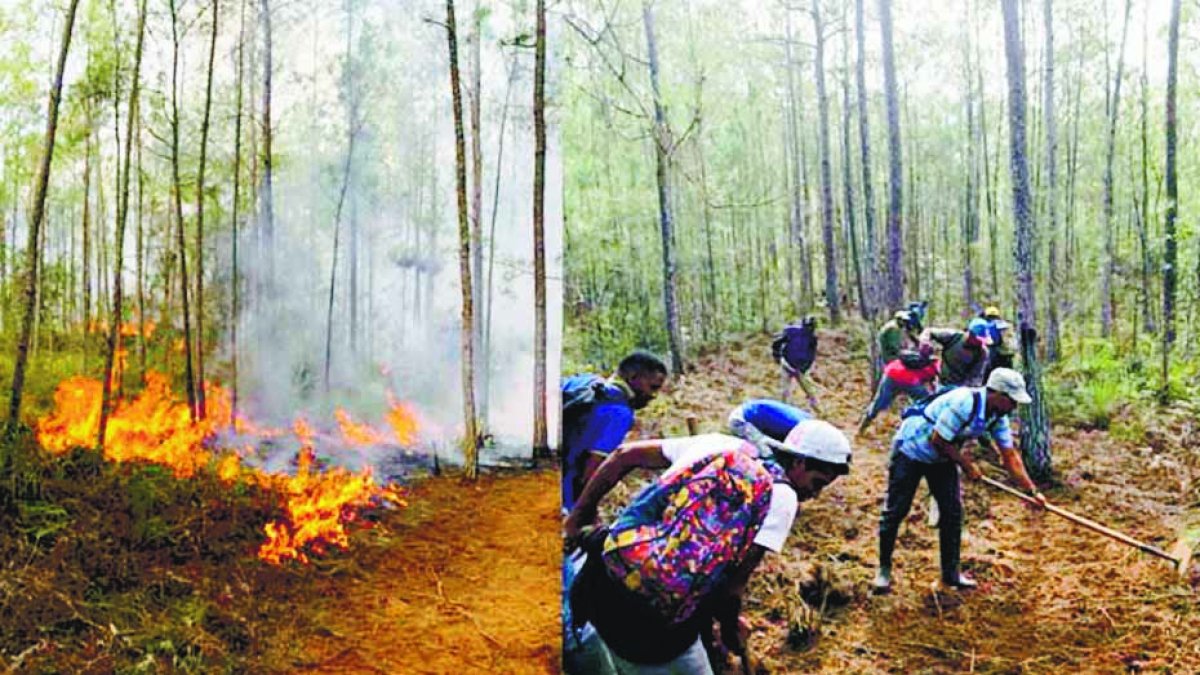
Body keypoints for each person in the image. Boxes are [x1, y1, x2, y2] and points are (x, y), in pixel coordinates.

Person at [565, 423, 852, 674]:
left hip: (602, 577)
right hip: (653, 621)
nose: (814, 495)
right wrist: (730, 631)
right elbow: (731, 588)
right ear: (800, 463)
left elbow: (623, 455)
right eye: (817, 483)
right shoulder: (783, 496)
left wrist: (576, 520)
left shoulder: (720, 444)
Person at [873, 368, 1046, 593]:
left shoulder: (997, 417)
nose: (1014, 407)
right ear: (996, 394)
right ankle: (883, 570)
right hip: (911, 449)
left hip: (942, 458)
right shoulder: (964, 401)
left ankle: (950, 575)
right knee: (896, 510)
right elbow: (938, 439)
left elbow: (1010, 456)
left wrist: (1032, 492)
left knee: (952, 513)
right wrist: (967, 466)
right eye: (1012, 401)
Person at [561, 351, 668, 675]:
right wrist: (588, 525)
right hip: (563, 506)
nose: (652, 397)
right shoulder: (618, 411)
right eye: (652, 387)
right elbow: (589, 475)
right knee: (571, 605)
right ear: (634, 377)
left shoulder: (585, 385)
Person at [858, 344, 940, 435]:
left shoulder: (913, 354)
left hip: (891, 372)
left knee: (880, 402)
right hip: (908, 380)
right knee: (925, 403)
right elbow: (933, 384)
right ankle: (915, 428)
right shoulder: (936, 365)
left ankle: (863, 425)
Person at [771, 316, 821, 413]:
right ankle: (783, 411)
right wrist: (777, 356)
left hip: (801, 369)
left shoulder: (812, 338)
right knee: (785, 391)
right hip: (787, 365)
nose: (809, 329)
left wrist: (804, 368)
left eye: (811, 327)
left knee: (810, 390)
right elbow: (776, 343)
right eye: (808, 326)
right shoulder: (792, 332)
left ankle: (818, 410)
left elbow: (811, 355)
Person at [922, 319, 992, 387]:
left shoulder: (982, 353)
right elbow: (929, 331)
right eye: (977, 339)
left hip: (959, 388)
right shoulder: (954, 337)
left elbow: (975, 378)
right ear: (970, 333)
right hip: (941, 381)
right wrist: (925, 343)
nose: (979, 342)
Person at [727, 398, 812, 455]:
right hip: (741, 421)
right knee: (767, 455)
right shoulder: (796, 428)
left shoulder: (806, 420)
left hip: (752, 415)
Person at [981, 306, 1016, 378]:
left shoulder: (988, 325)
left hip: (995, 356)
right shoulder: (1007, 325)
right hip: (1008, 355)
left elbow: (990, 341)